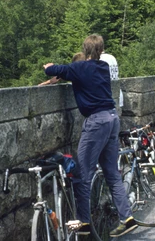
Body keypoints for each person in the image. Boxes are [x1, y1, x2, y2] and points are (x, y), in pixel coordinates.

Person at [43, 35, 137, 237]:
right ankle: (127, 218)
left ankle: (84, 222)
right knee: (112, 173)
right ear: (101, 50)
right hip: (112, 118)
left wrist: (48, 66)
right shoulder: (102, 68)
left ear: (85, 50)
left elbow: (53, 69)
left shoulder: (79, 68)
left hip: (96, 122)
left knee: (82, 175)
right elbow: (81, 75)